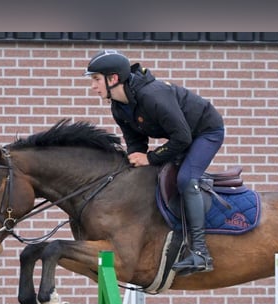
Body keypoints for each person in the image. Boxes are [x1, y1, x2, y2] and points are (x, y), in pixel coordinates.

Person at [85, 49, 225, 276]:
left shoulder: (153, 96)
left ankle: (200, 253)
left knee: (186, 180)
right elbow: (135, 141)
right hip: (182, 136)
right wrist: (135, 160)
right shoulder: (119, 106)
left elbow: (182, 137)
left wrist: (150, 158)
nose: (93, 86)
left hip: (206, 132)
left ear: (113, 79)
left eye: (96, 79)